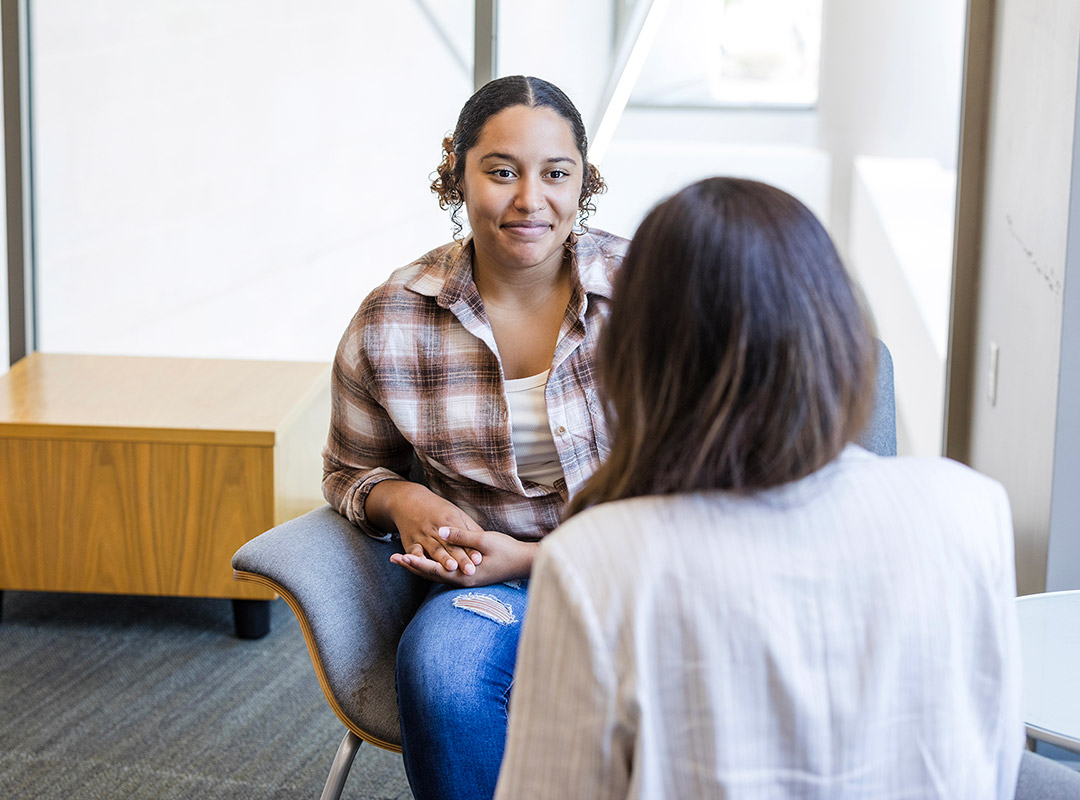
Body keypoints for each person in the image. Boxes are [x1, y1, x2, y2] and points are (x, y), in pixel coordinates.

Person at [495, 177, 1025, 799]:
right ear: (838, 333)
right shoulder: (969, 507)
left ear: (639, 358)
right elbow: (992, 752)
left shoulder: (598, 560)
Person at [322, 75, 628, 800]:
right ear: (456, 175)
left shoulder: (653, 292)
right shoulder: (393, 319)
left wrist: (531, 556)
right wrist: (401, 502)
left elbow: (716, 485)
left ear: (584, 181)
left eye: (556, 173)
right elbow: (348, 469)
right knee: (444, 672)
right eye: (500, 172)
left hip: (645, 576)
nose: (530, 200)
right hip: (490, 584)